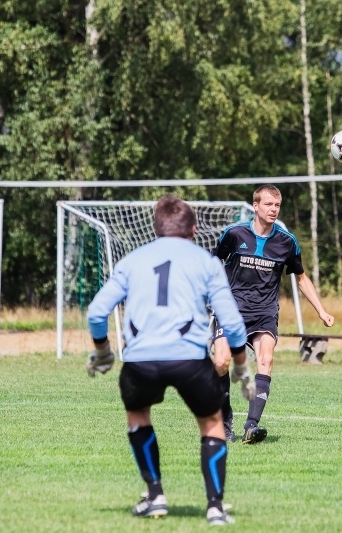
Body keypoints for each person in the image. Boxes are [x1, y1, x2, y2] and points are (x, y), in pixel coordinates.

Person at [86, 194, 248, 525]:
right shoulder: (206, 261)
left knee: (138, 416)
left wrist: (103, 351)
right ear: (194, 228)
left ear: (156, 226)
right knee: (212, 422)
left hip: (141, 361)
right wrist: (241, 365)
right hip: (189, 359)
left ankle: (155, 495)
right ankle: (215, 506)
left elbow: (97, 311)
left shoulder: (132, 260)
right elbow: (232, 323)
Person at [213, 184, 335, 444]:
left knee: (266, 359)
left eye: (277, 205)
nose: (273, 209)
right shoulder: (234, 234)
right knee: (221, 362)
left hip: (265, 311)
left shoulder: (286, 241)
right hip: (232, 308)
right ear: (255, 206)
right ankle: (225, 421)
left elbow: (302, 279)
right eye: (268, 204)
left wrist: (322, 311)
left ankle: (251, 426)